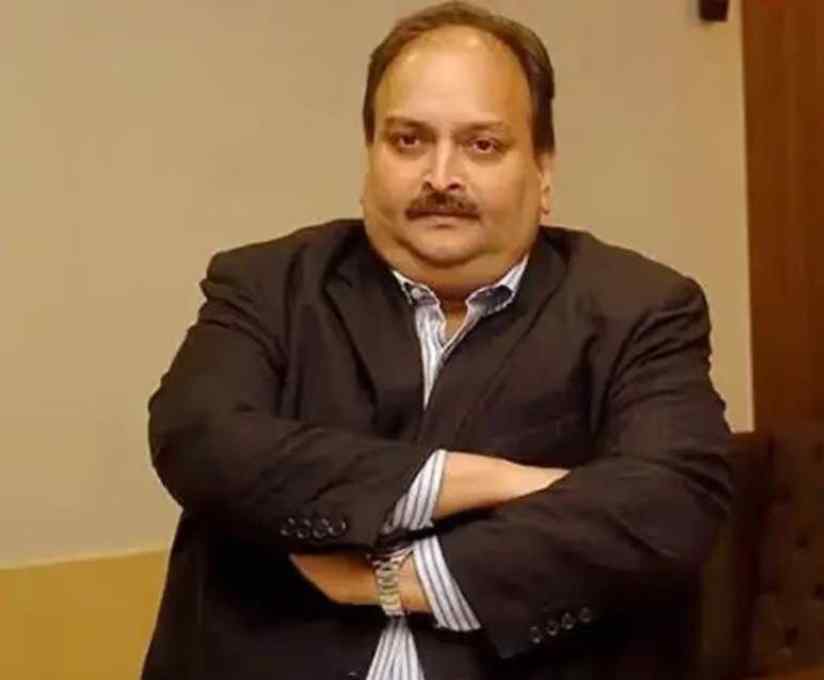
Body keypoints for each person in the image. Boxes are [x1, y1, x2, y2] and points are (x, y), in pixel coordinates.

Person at [141, 2, 733, 678]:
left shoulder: (640, 309)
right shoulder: (268, 286)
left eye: (483, 145)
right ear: (369, 158)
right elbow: (201, 439)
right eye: (408, 141)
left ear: (544, 173)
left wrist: (401, 578)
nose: (442, 177)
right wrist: (491, 481)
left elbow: (673, 497)